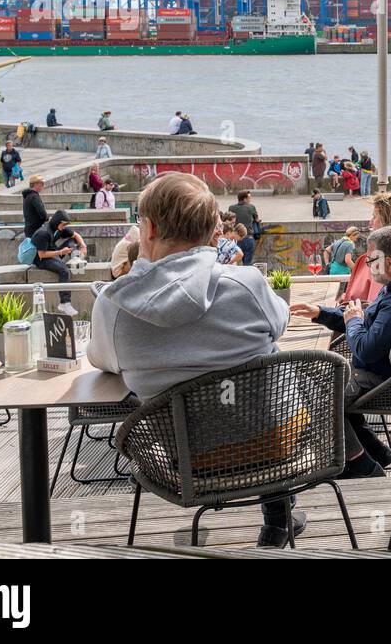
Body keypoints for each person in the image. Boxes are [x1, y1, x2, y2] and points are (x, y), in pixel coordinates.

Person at [86, 172, 304, 547]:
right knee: (268, 359)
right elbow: (280, 323)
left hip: (184, 460)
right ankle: (278, 516)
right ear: (211, 232)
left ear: (149, 228)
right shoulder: (245, 284)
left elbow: (101, 360)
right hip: (274, 447)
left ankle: (278, 518)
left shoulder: (114, 306)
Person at [291, 224, 391, 478]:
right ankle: (376, 451)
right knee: (313, 382)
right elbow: (366, 319)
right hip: (383, 372)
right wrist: (321, 313)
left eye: (371, 260)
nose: (367, 265)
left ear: (388, 262)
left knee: (313, 395)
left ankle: (360, 465)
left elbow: (365, 348)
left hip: (385, 382)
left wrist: (353, 319)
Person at [31, 211, 85, 313]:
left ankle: (76, 259)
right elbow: (41, 254)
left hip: (52, 252)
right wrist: (61, 252)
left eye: (66, 225)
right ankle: (64, 303)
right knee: (64, 271)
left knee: (71, 242)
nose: (64, 227)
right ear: (57, 222)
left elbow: (75, 235)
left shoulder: (59, 228)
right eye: (63, 224)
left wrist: (83, 246)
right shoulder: (44, 233)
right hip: (41, 260)